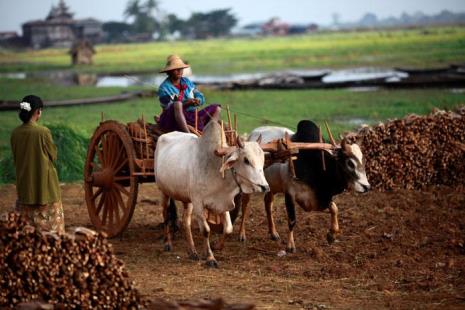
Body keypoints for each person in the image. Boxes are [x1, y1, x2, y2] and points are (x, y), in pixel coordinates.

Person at [10, 95, 65, 234]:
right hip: (44, 188)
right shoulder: (43, 132)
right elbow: (53, 155)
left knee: (28, 231)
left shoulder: (15, 133)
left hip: (25, 187)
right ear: (37, 112)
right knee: (52, 233)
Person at [157, 55, 221, 132]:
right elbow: (169, 107)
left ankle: (209, 131)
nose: (179, 71)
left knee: (217, 108)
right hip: (172, 119)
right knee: (177, 104)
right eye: (176, 69)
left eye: (181, 69)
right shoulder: (164, 88)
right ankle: (188, 134)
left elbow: (198, 94)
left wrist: (198, 100)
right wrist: (186, 103)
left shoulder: (187, 81)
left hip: (191, 116)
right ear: (169, 72)